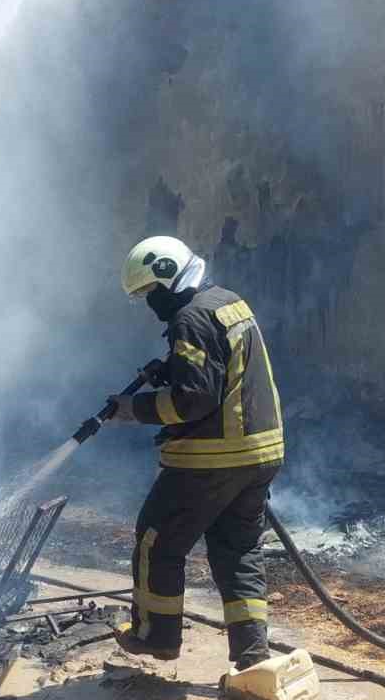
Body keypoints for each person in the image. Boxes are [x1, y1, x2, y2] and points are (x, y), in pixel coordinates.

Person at [105, 235, 284, 672]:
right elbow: (222, 365)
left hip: (212, 457)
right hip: (260, 451)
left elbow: (193, 401)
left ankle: (156, 636)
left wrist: (133, 410)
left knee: (157, 541)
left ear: (169, 276)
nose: (152, 304)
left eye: (151, 292)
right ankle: (253, 657)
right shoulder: (227, 303)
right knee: (238, 551)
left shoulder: (191, 318)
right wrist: (171, 367)